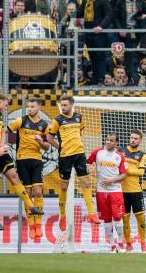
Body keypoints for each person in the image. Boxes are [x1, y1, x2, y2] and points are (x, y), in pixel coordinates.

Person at [0, 93, 43, 231]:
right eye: (5, 105)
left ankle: (30, 207)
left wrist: (2, 145)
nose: (5, 108)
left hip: (1, 152)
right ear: (0, 103)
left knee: (14, 177)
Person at [46, 94, 100, 231]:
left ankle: (92, 213)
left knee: (86, 183)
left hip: (79, 154)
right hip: (65, 156)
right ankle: (62, 216)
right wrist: (60, 148)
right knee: (64, 187)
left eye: (65, 105)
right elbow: (49, 137)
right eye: (61, 105)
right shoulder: (57, 120)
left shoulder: (79, 117)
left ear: (71, 105)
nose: (62, 107)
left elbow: (79, 133)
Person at [7, 97, 49, 240]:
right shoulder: (21, 120)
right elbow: (5, 130)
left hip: (37, 160)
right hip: (22, 159)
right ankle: (31, 226)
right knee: (28, 193)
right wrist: (2, 144)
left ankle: (38, 225)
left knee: (38, 191)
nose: (30, 109)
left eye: (33, 106)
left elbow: (47, 146)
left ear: (39, 108)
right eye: (29, 106)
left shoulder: (44, 125)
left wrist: (41, 141)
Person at [87, 133, 127, 253]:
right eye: (107, 140)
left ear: (116, 143)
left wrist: (111, 180)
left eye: (111, 140)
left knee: (117, 217)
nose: (108, 142)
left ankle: (120, 243)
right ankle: (112, 245)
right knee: (106, 219)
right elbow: (87, 162)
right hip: (101, 191)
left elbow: (124, 174)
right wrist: (89, 167)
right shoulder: (97, 152)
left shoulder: (119, 156)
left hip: (115, 191)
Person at [119, 129, 146, 252]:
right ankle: (128, 244)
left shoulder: (142, 155)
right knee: (125, 219)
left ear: (140, 141)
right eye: (131, 137)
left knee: (141, 219)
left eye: (136, 138)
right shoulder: (120, 151)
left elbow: (141, 172)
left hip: (136, 191)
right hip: (122, 191)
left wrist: (126, 170)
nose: (133, 140)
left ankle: (143, 244)